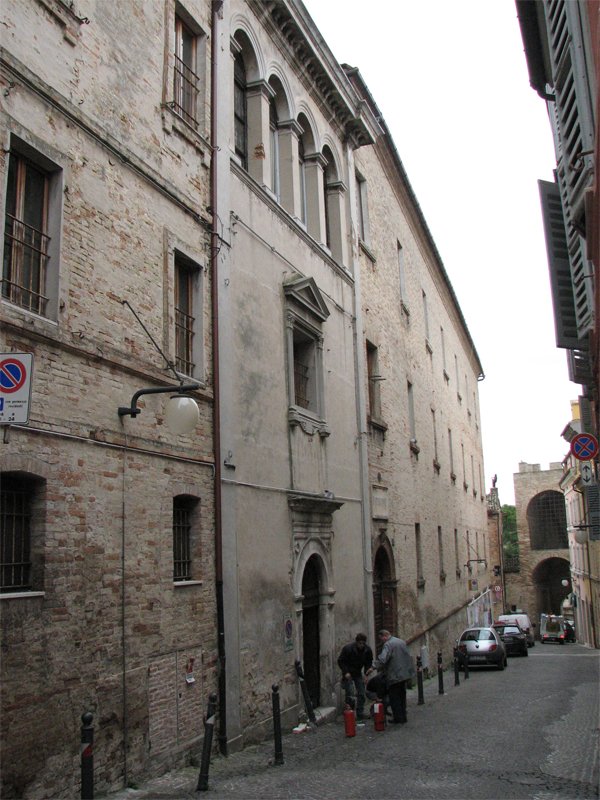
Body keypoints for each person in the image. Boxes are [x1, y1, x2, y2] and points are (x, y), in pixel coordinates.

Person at [367, 629, 415, 724]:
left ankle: (398, 718)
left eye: (381, 639)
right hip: (404, 674)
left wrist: (372, 667)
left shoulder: (388, 644)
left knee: (394, 697)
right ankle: (403, 716)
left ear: (384, 636)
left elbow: (383, 659)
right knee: (402, 696)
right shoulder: (401, 642)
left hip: (395, 675)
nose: (381, 641)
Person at [337, 633, 373, 720]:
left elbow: (368, 662)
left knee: (361, 693)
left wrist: (366, 674)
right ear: (356, 642)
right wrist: (346, 672)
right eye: (360, 643)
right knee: (350, 693)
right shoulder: (348, 649)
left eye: (363, 643)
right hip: (348, 672)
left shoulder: (367, 650)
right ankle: (349, 713)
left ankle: (360, 713)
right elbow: (341, 661)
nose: (361, 645)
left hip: (357, 672)